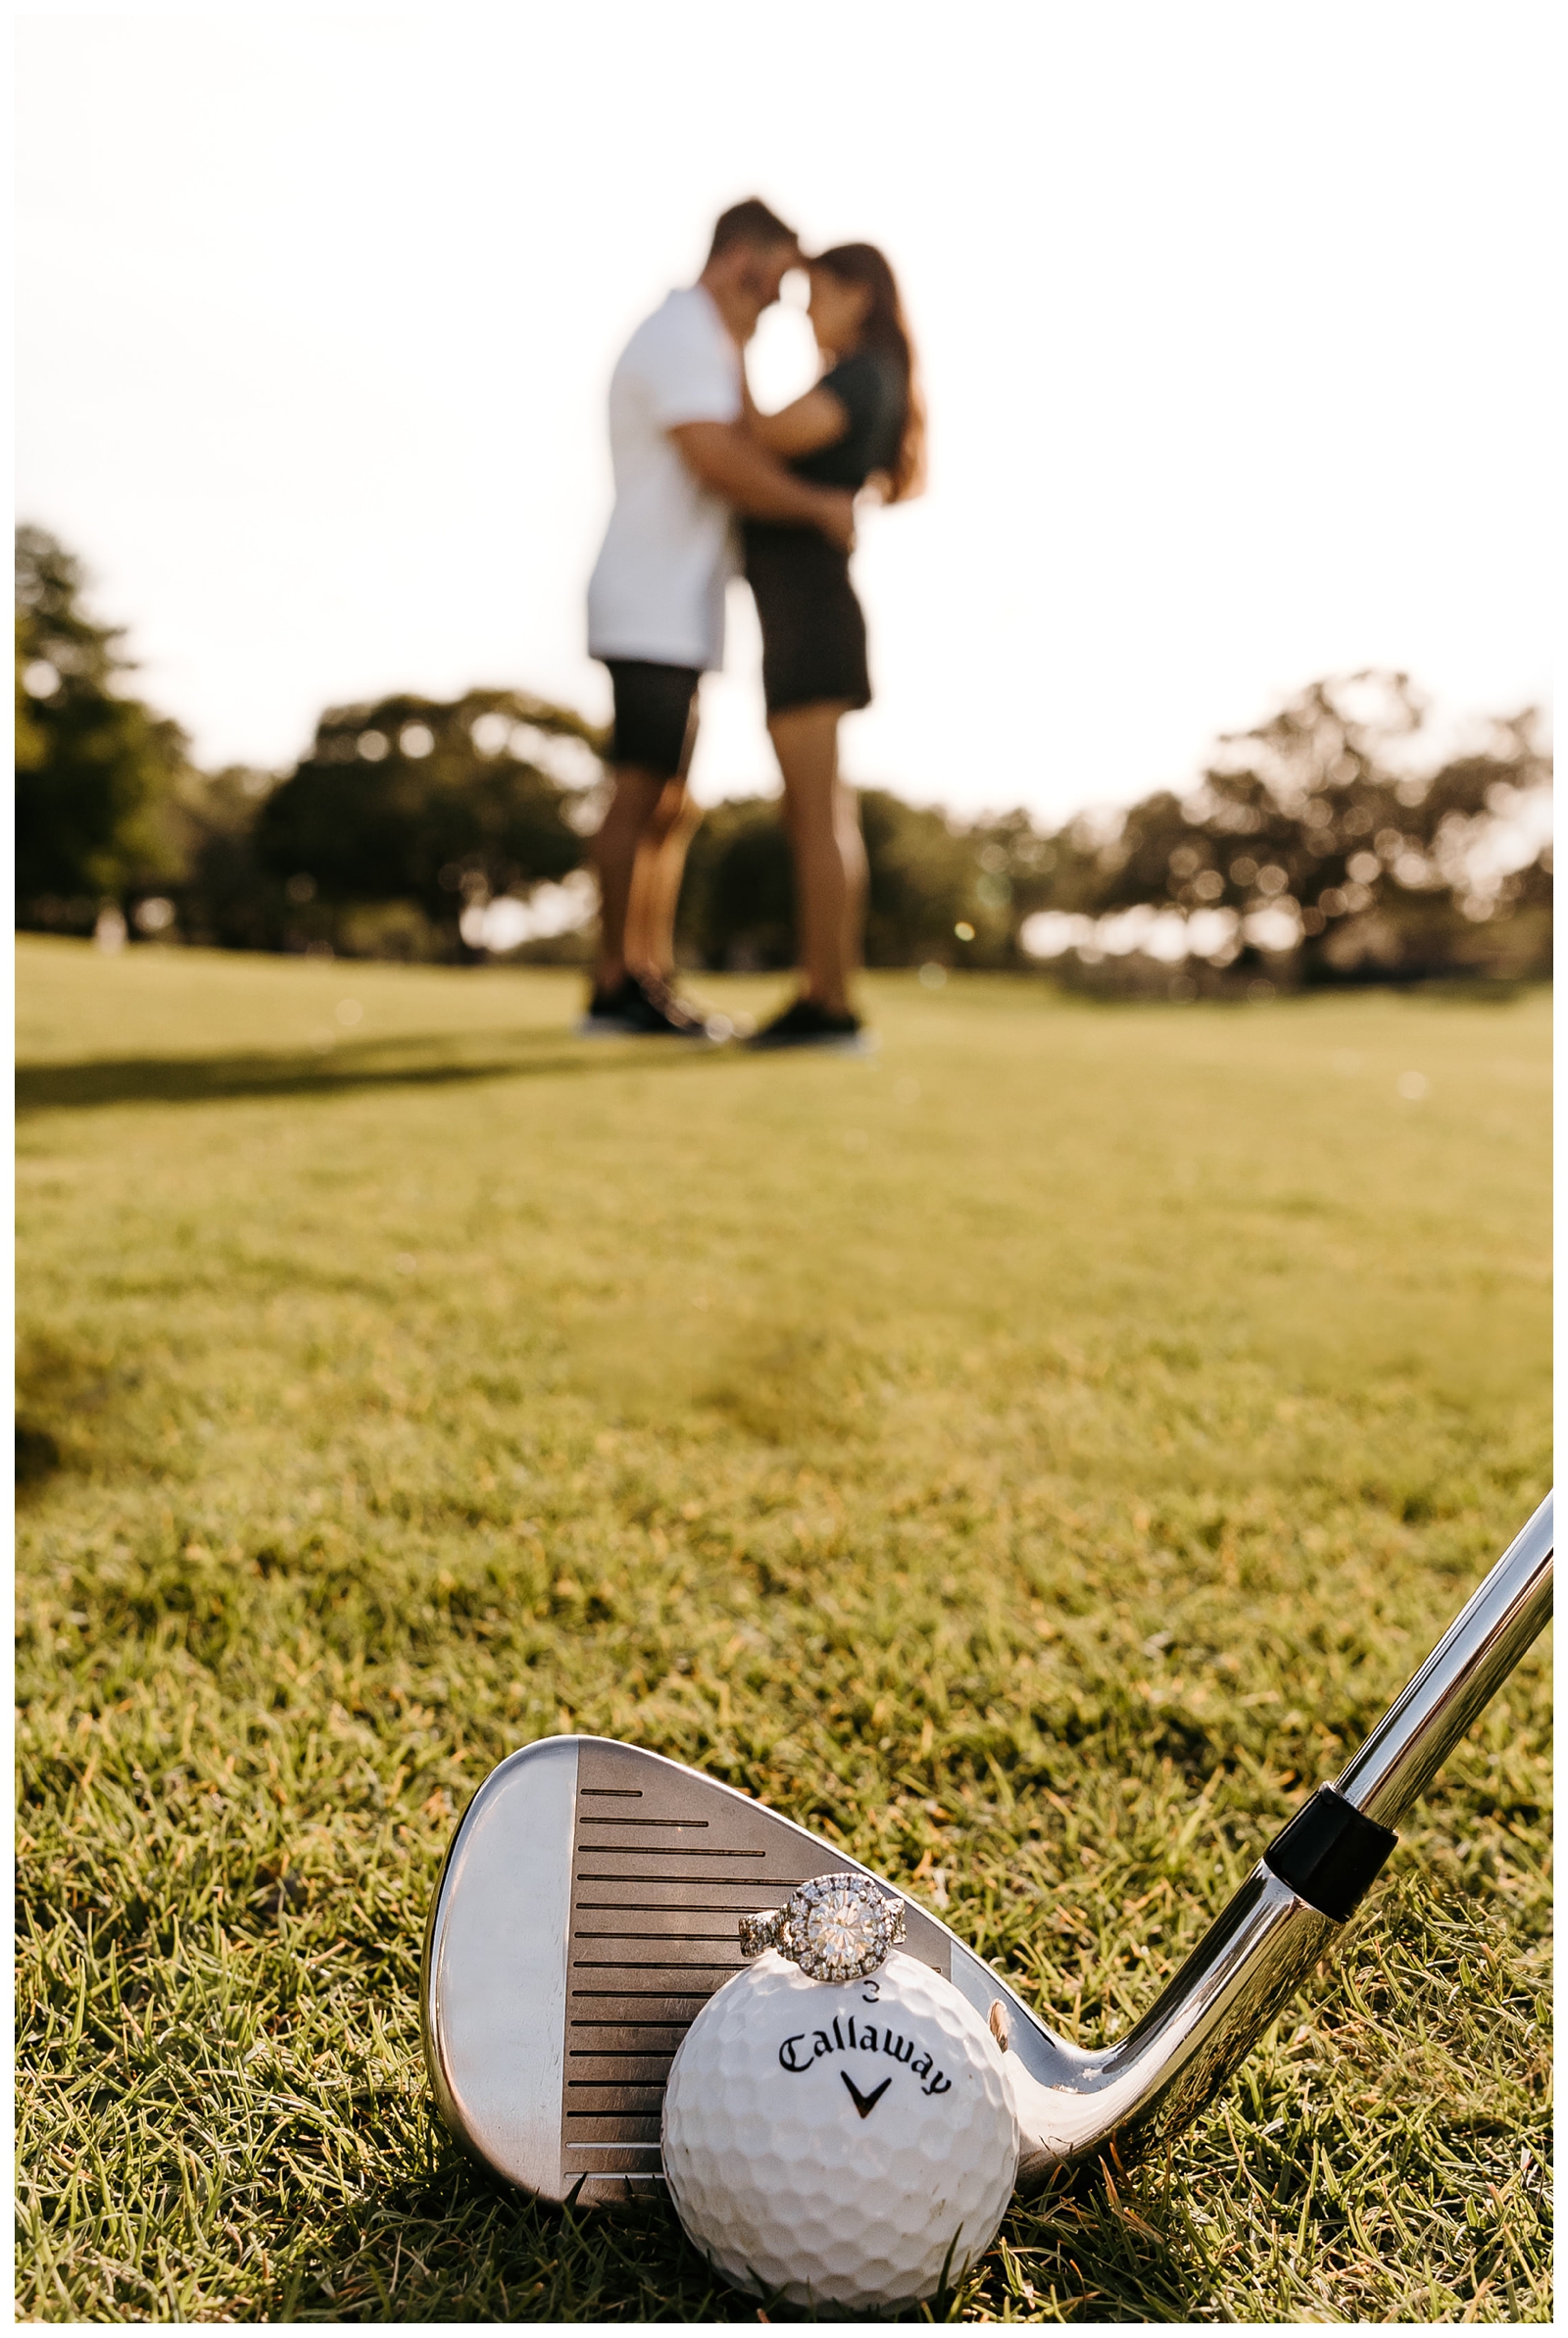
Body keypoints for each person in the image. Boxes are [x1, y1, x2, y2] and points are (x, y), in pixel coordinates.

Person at [582, 200, 857, 1036]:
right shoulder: (678, 336)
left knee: (670, 802)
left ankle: (646, 972)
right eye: (774, 284)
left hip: (680, 611)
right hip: (647, 606)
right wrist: (817, 507)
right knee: (640, 794)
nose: (778, 304)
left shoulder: (710, 343)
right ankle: (611, 984)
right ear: (742, 261)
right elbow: (717, 456)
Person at [740, 243, 925, 1052]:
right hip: (810, 613)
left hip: (812, 614)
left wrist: (730, 342)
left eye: (814, 293)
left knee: (815, 817)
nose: (804, 310)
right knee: (820, 814)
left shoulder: (859, 377)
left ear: (857, 295)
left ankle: (828, 1003)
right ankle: (827, 995)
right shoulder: (871, 375)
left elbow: (761, 434)